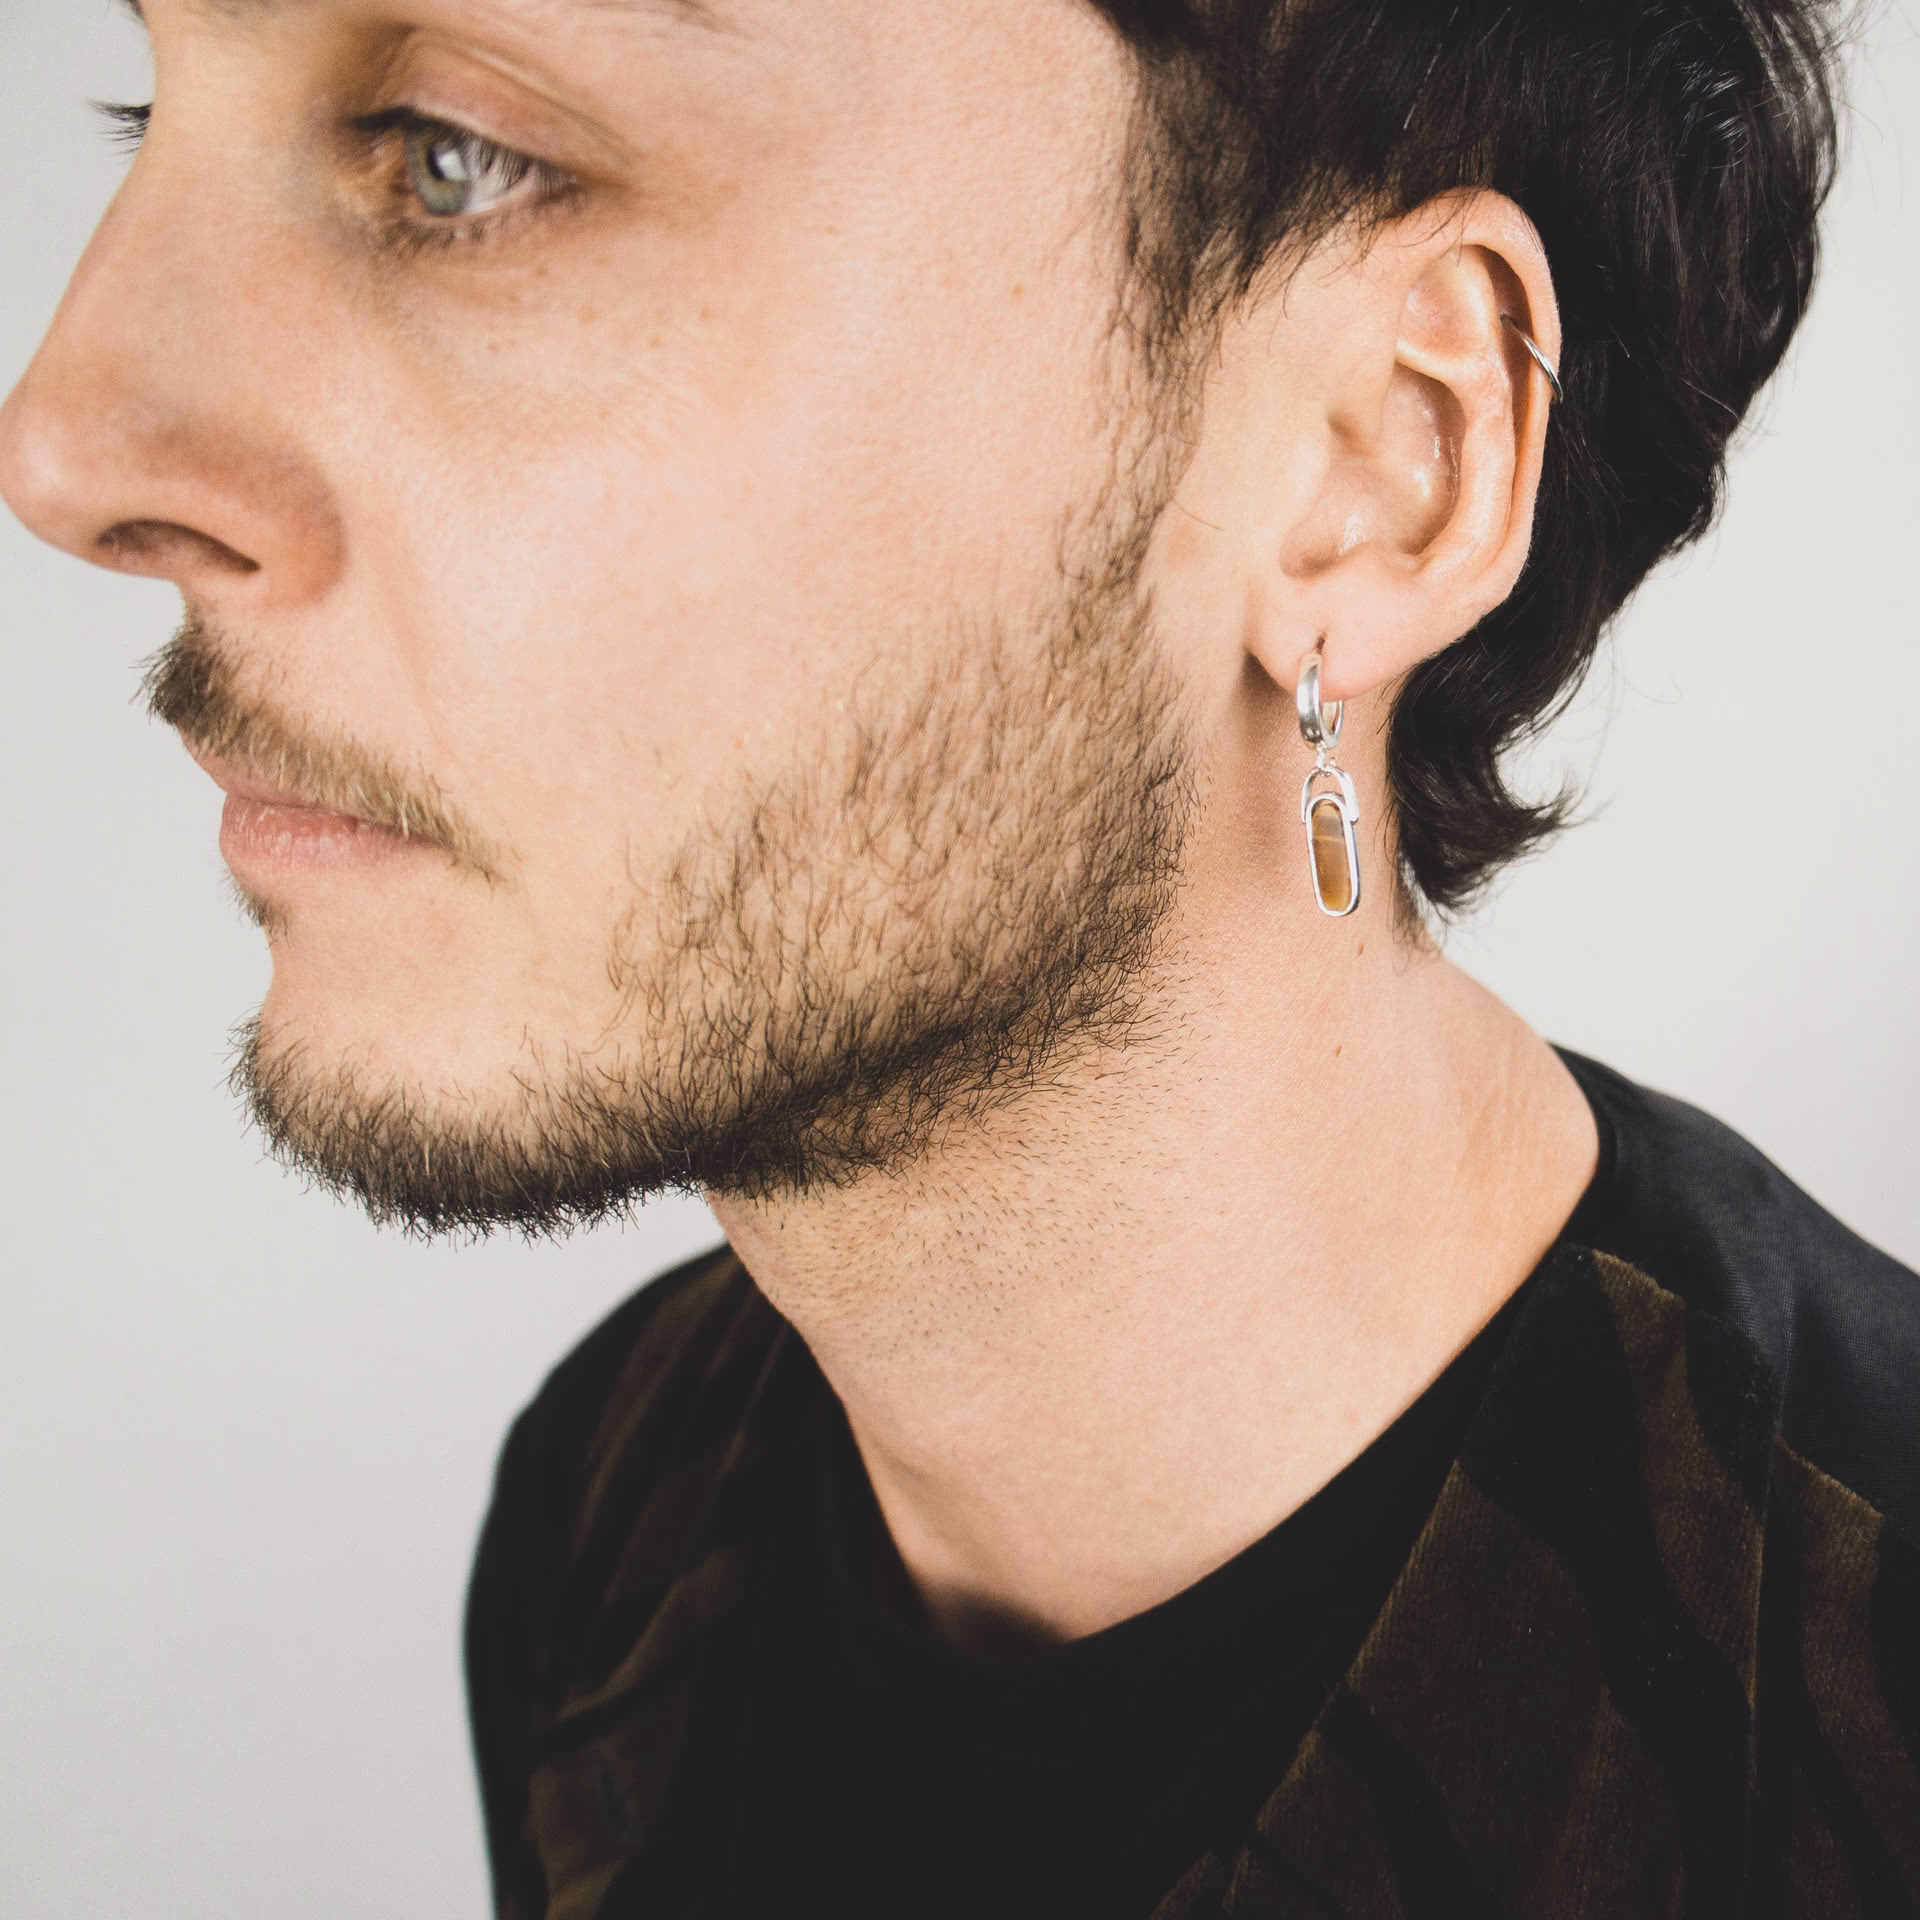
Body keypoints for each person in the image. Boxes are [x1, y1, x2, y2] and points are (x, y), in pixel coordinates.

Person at [2, 0, 1915, 1913]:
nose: (63, 444)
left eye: (460, 157)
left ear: (1380, 464)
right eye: (148, 109)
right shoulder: (620, 1522)